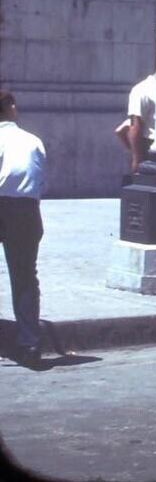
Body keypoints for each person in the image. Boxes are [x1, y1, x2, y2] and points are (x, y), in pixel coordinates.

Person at [0, 90, 47, 369]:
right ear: (11, 108)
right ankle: (30, 341)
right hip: (26, 210)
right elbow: (39, 179)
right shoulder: (33, 141)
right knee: (25, 276)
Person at [126, 73, 156, 173]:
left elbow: (135, 127)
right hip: (151, 148)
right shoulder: (143, 89)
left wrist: (136, 159)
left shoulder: (142, 89)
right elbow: (135, 127)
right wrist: (137, 158)